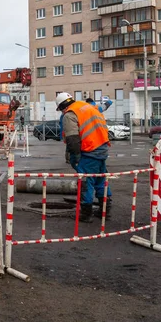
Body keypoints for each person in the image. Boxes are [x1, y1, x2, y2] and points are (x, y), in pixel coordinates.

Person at [56, 92, 112, 223]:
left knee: (86, 181)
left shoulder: (69, 115)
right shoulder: (86, 106)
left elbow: (72, 139)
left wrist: (75, 156)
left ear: (62, 106)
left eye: (60, 109)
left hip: (89, 150)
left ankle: (86, 214)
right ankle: (105, 211)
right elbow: (102, 109)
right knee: (101, 179)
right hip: (102, 147)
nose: (62, 112)